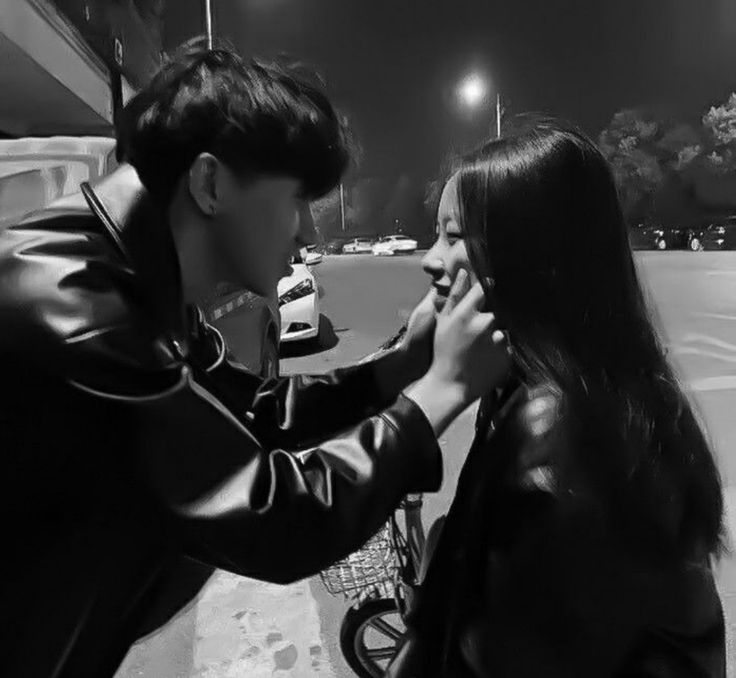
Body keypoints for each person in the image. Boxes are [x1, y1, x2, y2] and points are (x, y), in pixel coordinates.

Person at [0, 39, 511, 677]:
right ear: (210, 184)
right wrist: (439, 393)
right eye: (295, 199)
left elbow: (252, 406)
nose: (309, 233)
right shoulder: (72, 307)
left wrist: (396, 368)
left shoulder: (137, 279)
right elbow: (268, 516)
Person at [388, 116, 726, 677]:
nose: (431, 259)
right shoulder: (572, 387)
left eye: (454, 236)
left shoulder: (553, 436)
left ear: (527, 254)